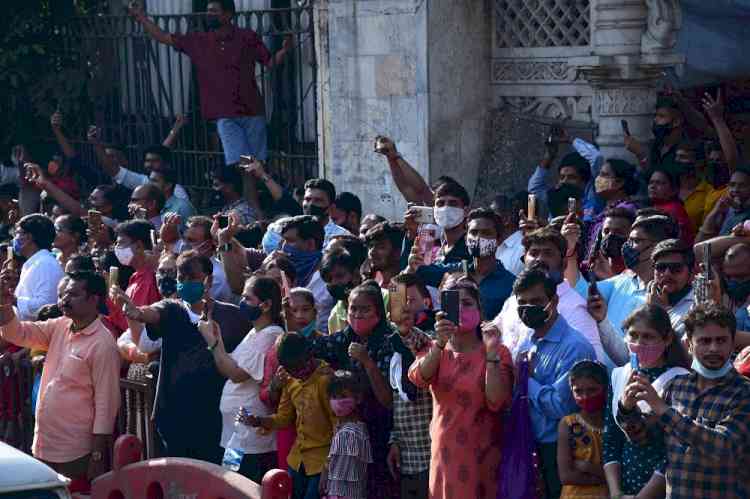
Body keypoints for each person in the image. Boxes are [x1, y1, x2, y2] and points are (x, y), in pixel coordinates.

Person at [112, 251, 251, 463]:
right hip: (175, 415)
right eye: (180, 278)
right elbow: (152, 312)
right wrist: (136, 312)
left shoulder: (231, 316)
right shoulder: (173, 309)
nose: (184, 283)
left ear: (208, 280)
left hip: (217, 416)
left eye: (191, 278)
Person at [127, 0, 293, 166]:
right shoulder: (199, 41)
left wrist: (284, 51)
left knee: (255, 164)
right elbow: (163, 37)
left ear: (228, 15)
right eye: (208, 11)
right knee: (240, 162)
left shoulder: (247, 37)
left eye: (214, 11)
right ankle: (250, 182)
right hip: (225, 115)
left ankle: (256, 184)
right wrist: (141, 18)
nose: (209, 14)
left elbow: (270, 63)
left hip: (252, 111)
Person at [0, 271, 120, 482]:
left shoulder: (103, 343)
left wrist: (97, 455)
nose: (65, 299)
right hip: (43, 445)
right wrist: (4, 304)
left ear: (94, 299)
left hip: (75, 453)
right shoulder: (60, 325)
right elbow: (16, 333)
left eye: (73, 294)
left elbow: (106, 404)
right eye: (64, 294)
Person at [630, 303, 750, 498]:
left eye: (721, 340)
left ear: (732, 343)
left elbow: (723, 448)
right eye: (704, 341)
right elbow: (645, 439)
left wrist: (663, 410)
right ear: (689, 345)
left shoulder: (744, 392)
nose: (713, 348)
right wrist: (628, 410)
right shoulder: (677, 386)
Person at [408, 277, 513, 499]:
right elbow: (419, 377)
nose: (461, 310)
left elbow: (496, 402)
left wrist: (491, 354)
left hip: (482, 454)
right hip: (444, 454)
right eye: (453, 305)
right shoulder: (435, 348)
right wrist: (439, 343)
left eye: (467, 303)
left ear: (479, 309)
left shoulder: (497, 351)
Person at [312, 281, 413, 499]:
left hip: (382, 433)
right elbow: (315, 347)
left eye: (365, 309)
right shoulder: (346, 337)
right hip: (351, 431)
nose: (357, 314)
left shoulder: (390, 341)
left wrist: (367, 362)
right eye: (353, 309)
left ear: (378, 313)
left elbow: (388, 400)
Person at [511, 268, 596, 499]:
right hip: (530, 447)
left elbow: (560, 405)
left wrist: (526, 379)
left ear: (554, 301)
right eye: (523, 303)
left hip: (563, 452)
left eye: (536, 301)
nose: (529, 308)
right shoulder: (527, 342)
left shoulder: (575, 347)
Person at [198, 275, 284, 483]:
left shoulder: (271, 335)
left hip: (251, 436)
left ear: (265, 305)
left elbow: (236, 374)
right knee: (231, 482)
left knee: (246, 485)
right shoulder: (254, 333)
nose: (242, 303)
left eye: (247, 299)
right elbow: (226, 364)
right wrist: (216, 340)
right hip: (236, 434)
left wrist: (212, 342)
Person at [603, 305, 689, 499]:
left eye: (648, 336)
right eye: (633, 335)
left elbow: (673, 451)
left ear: (666, 339)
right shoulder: (619, 375)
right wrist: (616, 492)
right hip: (623, 487)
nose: (639, 343)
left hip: (663, 490)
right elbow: (611, 439)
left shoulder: (680, 380)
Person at [240, 332, 336, 499]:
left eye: (301, 367)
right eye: (292, 370)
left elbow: (338, 426)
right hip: (297, 459)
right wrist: (257, 421)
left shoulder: (326, 380)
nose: (298, 373)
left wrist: (330, 465)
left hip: (322, 461)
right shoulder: (289, 380)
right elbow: (284, 418)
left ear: (310, 356)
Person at [495, 226, 604, 363]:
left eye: (548, 253)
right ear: (523, 260)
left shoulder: (575, 308)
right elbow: (493, 334)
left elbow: (593, 365)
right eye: (534, 253)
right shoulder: (512, 301)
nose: (539, 259)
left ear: (564, 264)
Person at [581, 214, 676, 351]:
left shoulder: (665, 295)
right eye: (628, 240)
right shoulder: (623, 280)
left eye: (636, 241)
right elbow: (579, 293)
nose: (627, 247)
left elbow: (631, 356)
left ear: (657, 248)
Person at [410, 207, 515, 320]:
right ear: (466, 239)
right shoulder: (454, 271)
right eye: (474, 232)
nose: (478, 237)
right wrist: (414, 261)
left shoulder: (510, 284)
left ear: (498, 239)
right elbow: (418, 272)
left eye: (486, 233)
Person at [387, 272, 434, 499]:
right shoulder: (393, 343)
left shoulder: (433, 339)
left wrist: (405, 330)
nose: (405, 308)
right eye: (399, 302)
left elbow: (419, 342)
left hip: (430, 453)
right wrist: (394, 440)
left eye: (410, 301)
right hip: (406, 457)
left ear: (426, 303)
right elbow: (397, 399)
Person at [557, 360, 609, 499]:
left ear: (605, 388)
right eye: (578, 391)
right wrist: (607, 476)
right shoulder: (568, 424)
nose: (585, 396)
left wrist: (588, 468)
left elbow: (625, 470)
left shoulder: (614, 423)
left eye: (592, 390)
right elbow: (566, 476)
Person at [320, 370, 373, 499]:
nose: (337, 402)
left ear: (358, 398)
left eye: (343, 396)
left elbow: (339, 478)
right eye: (334, 397)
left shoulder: (348, 434)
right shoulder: (355, 427)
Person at [402, 179, 471, 269]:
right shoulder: (428, 241)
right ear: (434, 211)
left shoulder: (471, 246)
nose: (446, 208)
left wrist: (422, 269)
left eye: (453, 203)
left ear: (465, 211)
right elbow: (406, 271)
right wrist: (411, 232)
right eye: (440, 203)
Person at [12, 214, 65, 320]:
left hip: (36, 333)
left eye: (17, 233)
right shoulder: (34, 262)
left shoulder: (46, 264)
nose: (15, 238)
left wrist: (14, 300)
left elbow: (46, 306)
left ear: (29, 237)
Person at [584, 159, 640, 259]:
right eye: (599, 174)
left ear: (619, 182)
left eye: (604, 175)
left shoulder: (627, 209)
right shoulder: (604, 209)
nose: (598, 179)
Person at [648, 239, 695, 337]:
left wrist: (657, 313)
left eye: (676, 268)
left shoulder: (697, 306)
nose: (667, 273)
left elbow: (677, 348)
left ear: (691, 272)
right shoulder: (644, 298)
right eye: (661, 267)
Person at [698, 166, 750, 240]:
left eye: (742, 186)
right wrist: (715, 211)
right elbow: (699, 241)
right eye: (732, 185)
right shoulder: (728, 209)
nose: (735, 190)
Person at [647, 168, 695, 245]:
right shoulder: (657, 206)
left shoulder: (672, 210)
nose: (652, 186)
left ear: (674, 189)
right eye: (651, 182)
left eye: (659, 183)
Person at [302, 178, 351, 246]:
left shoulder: (341, 236)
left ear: (331, 206)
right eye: (307, 199)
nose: (311, 204)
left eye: (318, 200)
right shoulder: (290, 232)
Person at [365, 221, 404, 287]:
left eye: (381, 247)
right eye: (371, 246)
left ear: (398, 252)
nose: (371, 252)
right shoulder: (364, 282)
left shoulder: (409, 288)